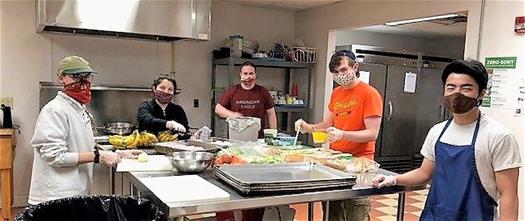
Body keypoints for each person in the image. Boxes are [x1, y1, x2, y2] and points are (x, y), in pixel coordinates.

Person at [372, 59, 522, 221]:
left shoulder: (498, 136)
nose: (456, 94)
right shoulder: (438, 132)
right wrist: (393, 179)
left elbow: (508, 195)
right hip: (435, 216)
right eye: (451, 87)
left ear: (482, 93)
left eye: (466, 88)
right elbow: (424, 173)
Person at [29, 55, 143, 205]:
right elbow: (55, 156)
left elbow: (81, 146)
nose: (83, 81)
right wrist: (99, 156)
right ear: (61, 78)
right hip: (54, 198)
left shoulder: (79, 109)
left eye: (87, 76)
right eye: (76, 76)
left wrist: (117, 153)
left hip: (74, 194)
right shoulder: (54, 110)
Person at [295, 50, 383, 221]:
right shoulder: (336, 93)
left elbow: (372, 133)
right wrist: (308, 128)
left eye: (343, 70)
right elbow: (327, 125)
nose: (339, 75)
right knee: (332, 213)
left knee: (356, 214)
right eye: (335, 72)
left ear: (355, 67)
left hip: (360, 164)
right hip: (335, 162)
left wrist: (342, 134)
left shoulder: (369, 94)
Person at [215, 61, 277, 137]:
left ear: (255, 75)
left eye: (251, 73)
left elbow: (271, 114)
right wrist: (233, 115)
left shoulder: (263, 91)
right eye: (245, 74)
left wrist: (274, 134)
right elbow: (218, 109)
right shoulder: (232, 91)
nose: (248, 77)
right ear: (241, 75)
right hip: (236, 137)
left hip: (257, 138)